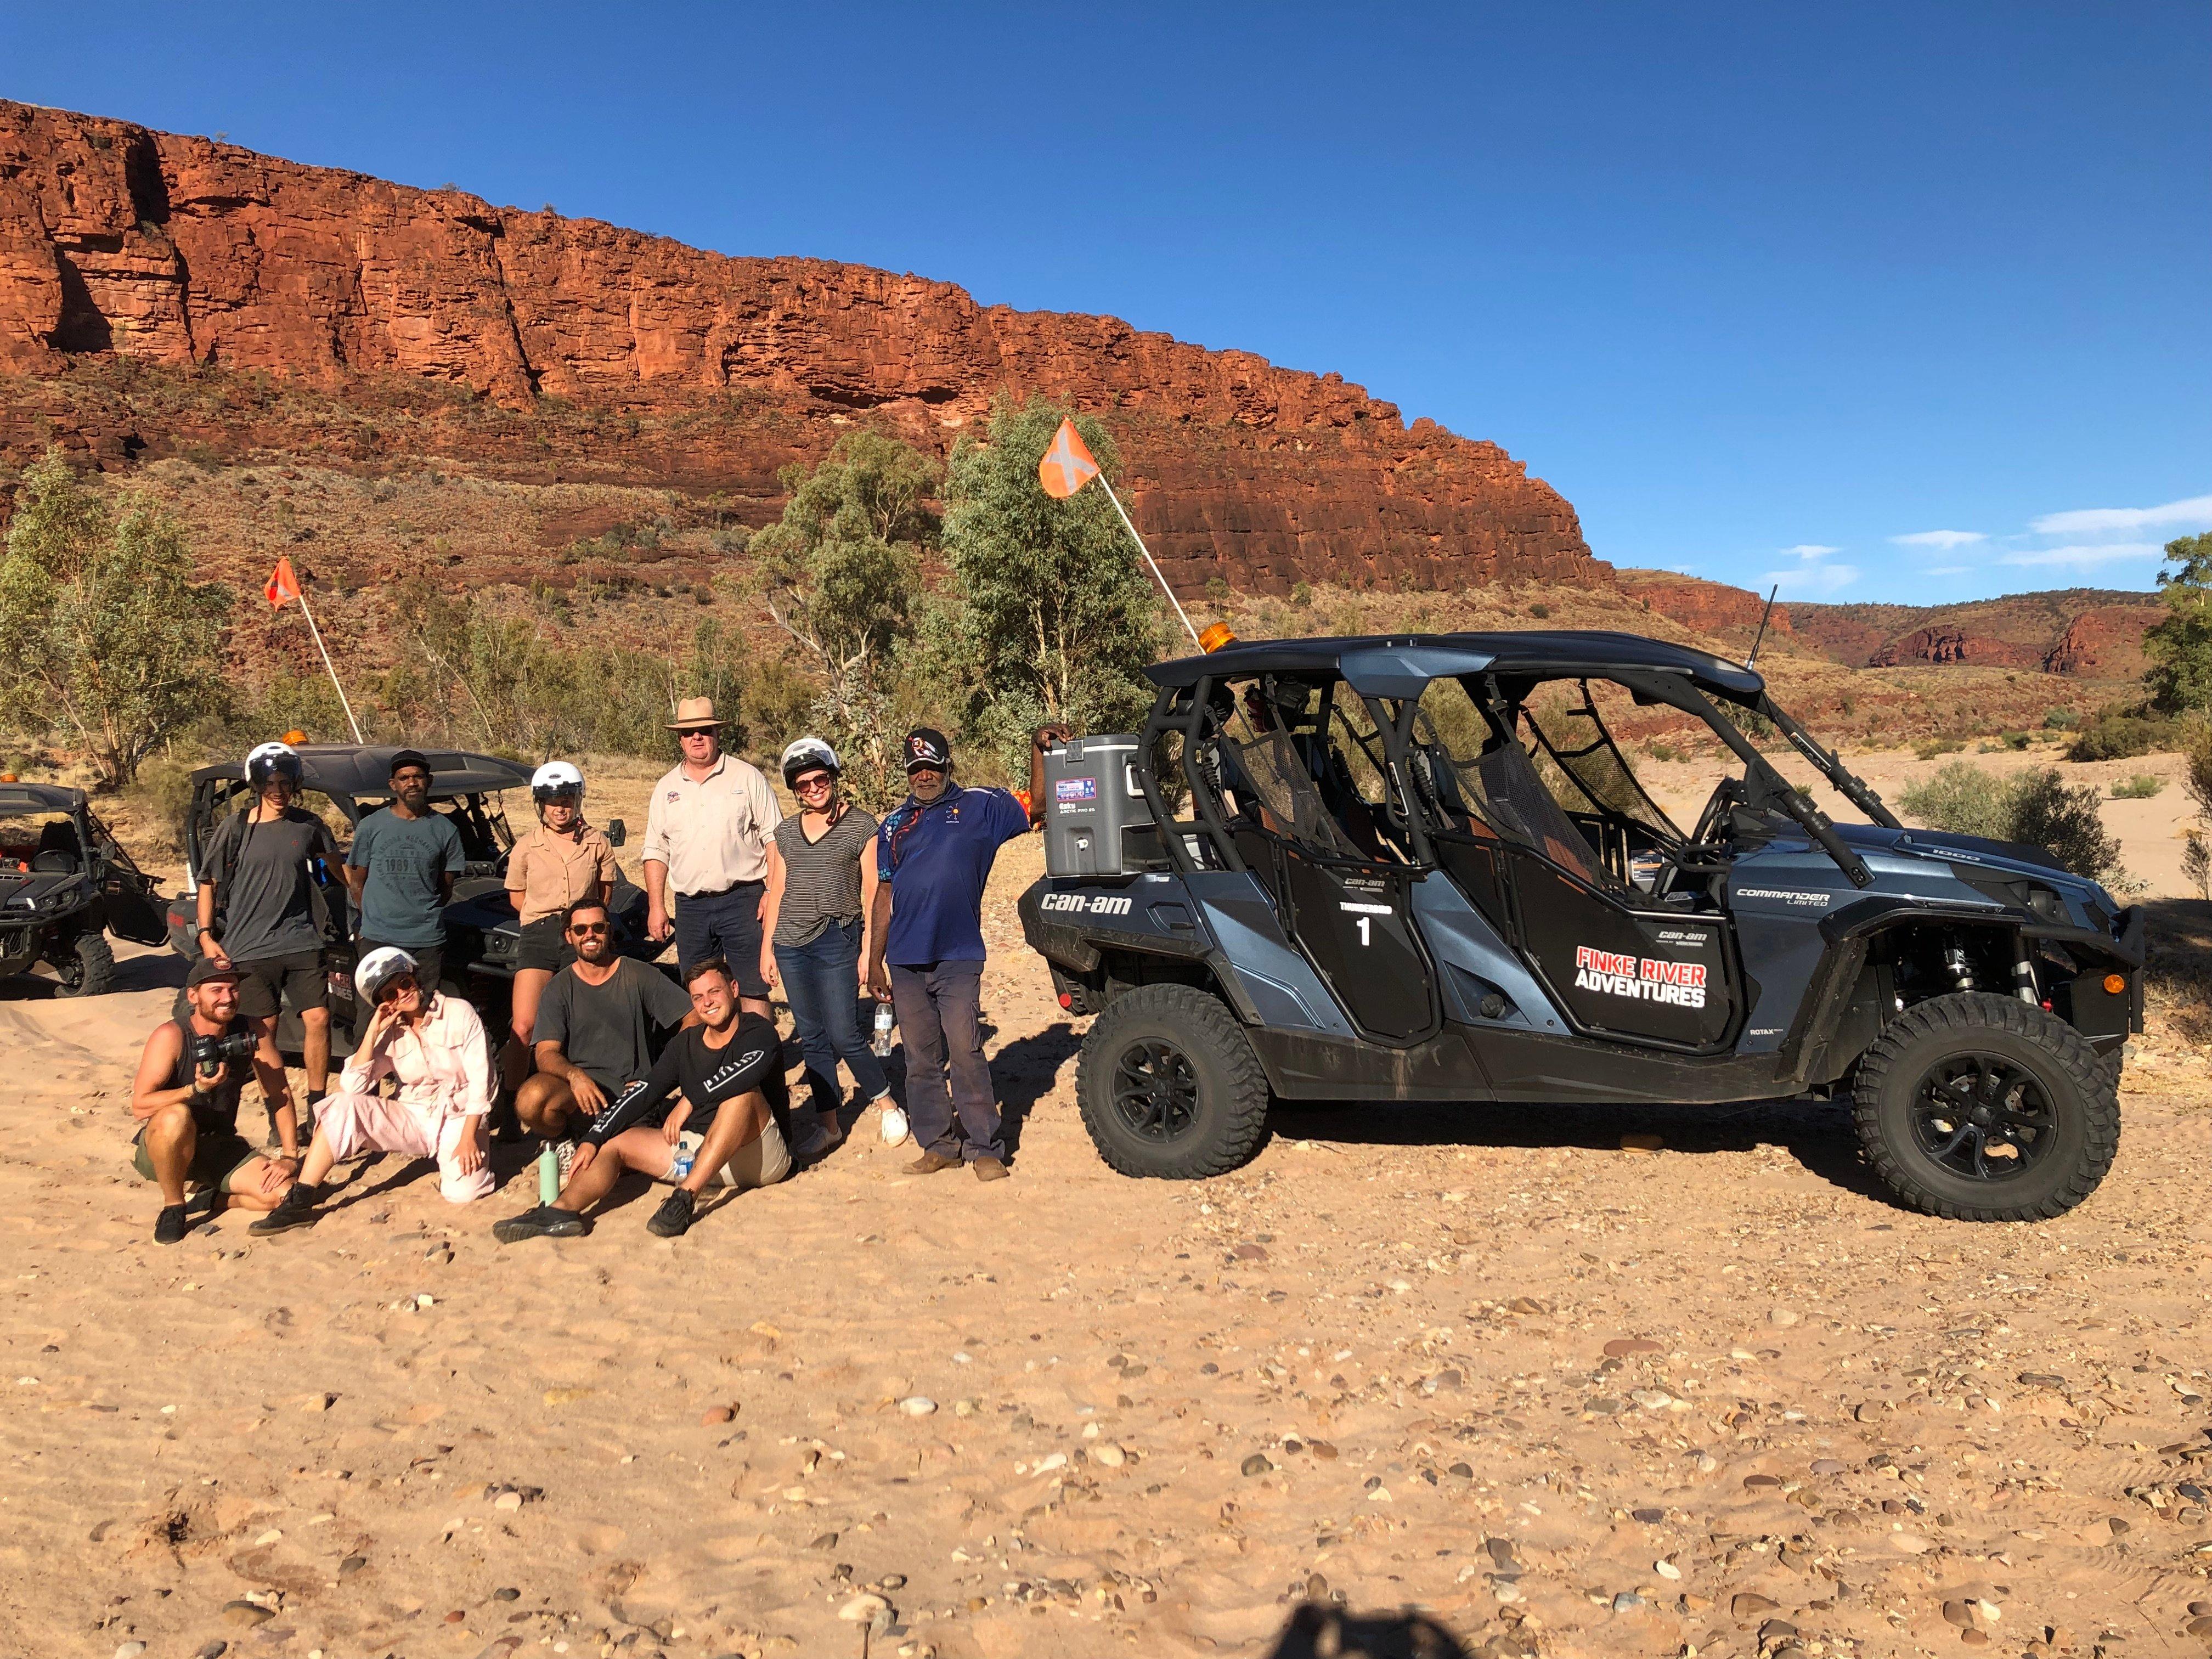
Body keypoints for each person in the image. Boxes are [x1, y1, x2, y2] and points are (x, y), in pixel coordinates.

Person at [866, 725, 1059, 1182]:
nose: (925, 776)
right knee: (919, 1058)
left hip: (958, 954)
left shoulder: (981, 806)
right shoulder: (893, 825)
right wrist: (874, 960)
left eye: (932, 767)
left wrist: (1037, 747)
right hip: (905, 959)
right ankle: (938, 1145)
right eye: (916, 769)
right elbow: (883, 893)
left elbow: (1039, 805)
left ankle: (984, 1148)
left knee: (966, 1048)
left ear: (948, 765)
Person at [493, 957, 792, 1242]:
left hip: (759, 1155)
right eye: (698, 997)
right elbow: (645, 1091)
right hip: (700, 1156)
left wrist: (689, 1100)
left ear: (734, 989)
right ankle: (560, 1212)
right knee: (616, 1143)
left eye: (714, 992)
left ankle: (683, 1200)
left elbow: (747, 1070)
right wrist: (595, 1137)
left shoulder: (757, 1031)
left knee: (742, 1096)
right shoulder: (685, 1043)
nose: (708, 1003)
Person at [250, 948, 495, 1233]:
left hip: (459, 1117)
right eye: (390, 994)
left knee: (462, 1194)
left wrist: (468, 1138)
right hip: (415, 1116)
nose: (402, 994)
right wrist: (374, 1030)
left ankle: (463, 1159)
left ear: (415, 979)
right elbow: (353, 1086)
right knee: (342, 1105)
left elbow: (483, 1081)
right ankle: (301, 1199)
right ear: (383, 1004)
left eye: (404, 983)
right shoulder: (392, 1033)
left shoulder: (458, 1012)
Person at [760, 737, 899, 1161]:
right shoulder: (784, 832)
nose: (814, 788)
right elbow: (777, 888)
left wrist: (868, 952)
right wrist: (768, 948)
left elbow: (874, 888)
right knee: (815, 1038)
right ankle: (829, 1126)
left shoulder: (862, 826)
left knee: (844, 1032)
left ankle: (886, 1105)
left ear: (834, 778)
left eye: (820, 779)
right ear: (795, 790)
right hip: (790, 944)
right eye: (804, 785)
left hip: (838, 939)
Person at [194, 740, 343, 1125]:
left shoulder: (310, 826)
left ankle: (317, 1106)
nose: (278, 791)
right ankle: (280, 1117)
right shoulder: (235, 828)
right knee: (264, 1035)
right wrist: (207, 936)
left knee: (318, 1020)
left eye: (285, 783)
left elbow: (340, 875)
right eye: (270, 784)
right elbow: (208, 881)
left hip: (302, 941)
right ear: (256, 785)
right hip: (249, 947)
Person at [128, 956, 296, 1243]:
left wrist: (290, 1156)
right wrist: (195, 1089)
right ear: (193, 996)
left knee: (286, 1194)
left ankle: (214, 1199)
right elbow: (140, 1105)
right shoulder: (172, 1035)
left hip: (218, 1144)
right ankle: (174, 1206)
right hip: (164, 1147)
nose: (227, 998)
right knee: (176, 1116)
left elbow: (279, 1093)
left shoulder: (252, 1031)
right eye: (216, 991)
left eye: (233, 989)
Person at [514, 897, 697, 1144]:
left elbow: (693, 1017)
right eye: (580, 929)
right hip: (580, 1095)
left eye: (598, 927)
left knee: (617, 1160)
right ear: (569, 937)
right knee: (530, 1100)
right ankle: (566, 1140)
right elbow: (546, 1053)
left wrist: (659, 1077)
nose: (590, 935)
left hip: (633, 1095)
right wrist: (574, 1076)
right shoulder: (558, 988)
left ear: (609, 931)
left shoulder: (638, 974)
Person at [640, 697, 782, 1018]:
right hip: (690, 908)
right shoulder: (666, 789)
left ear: (717, 734)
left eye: (704, 730)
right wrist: (657, 906)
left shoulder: (747, 778)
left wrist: (771, 892)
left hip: (744, 900)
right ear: (680, 739)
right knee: (702, 991)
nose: (697, 738)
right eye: (689, 733)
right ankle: (719, 1062)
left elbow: (775, 837)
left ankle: (763, 1060)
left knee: (753, 987)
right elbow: (656, 849)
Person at [502, 761, 620, 1093]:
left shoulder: (597, 842)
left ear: (578, 800)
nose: (560, 808)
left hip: (583, 935)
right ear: (540, 804)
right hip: (538, 935)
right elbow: (517, 898)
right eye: (553, 801)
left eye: (567, 799)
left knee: (583, 1023)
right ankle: (511, 1102)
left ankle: (582, 1096)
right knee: (524, 1025)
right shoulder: (526, 846)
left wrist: (581, 927)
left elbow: (604, 894)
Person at [345, 749, 464, 995]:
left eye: (418, 777)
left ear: (428, 782)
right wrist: (375, 919)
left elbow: (446, 887)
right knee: (373, 1016)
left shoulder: (446, 830)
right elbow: (357, 883)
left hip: (426, 940)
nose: (412, 783)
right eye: (404, 778)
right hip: (379, 938)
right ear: (393, 785)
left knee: (425, 1012)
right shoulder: (371, 826)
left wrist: (422, 914)